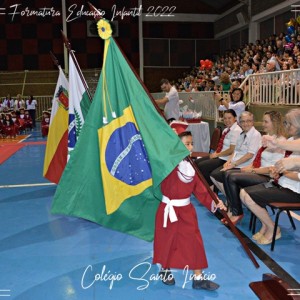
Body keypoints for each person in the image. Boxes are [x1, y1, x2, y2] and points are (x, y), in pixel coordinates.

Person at [153, 121, 226, 291]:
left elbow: (201, 189)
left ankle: (198, 277)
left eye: (192, 143)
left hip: (186, 211)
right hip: (168, 210)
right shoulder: (167, 165)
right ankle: (165, 269)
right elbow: (159, 158)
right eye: (187, 144)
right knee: (167, 241)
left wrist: (215, 200)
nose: (191, 147)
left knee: (194, 241)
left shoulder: (191, 166)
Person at [240, 108, 300, 244]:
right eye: (286, 123)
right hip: (283, 183)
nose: (287, 127)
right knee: (244, 193)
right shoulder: (291, 140)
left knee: (248, 197)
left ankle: (273, 228)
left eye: (290, 124)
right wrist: (278, 170)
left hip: (295, 191)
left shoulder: (291, 143)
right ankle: (266, 225)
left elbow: (297, 175)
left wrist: (283, 171)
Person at [221, 111, 286, 225]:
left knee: (231, 177)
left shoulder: (281, 142)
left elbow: (273, 168)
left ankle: (236, 212)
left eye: (266, 121)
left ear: (274, 123)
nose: (263, 124)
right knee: (228, 174)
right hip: (259, 172)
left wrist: (251, 170)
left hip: (268, 177)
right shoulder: (267, 138)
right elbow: (258, 159)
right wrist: (246, 168)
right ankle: (233, 208)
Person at [210, 111, 261, 196]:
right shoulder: (242, 134)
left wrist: (233, 164)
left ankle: (233, 200)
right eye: (243, 121)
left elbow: (249, 155)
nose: (245, 124)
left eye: (248, 121)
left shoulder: (255, 135)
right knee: (214, 175)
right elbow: (235, 151)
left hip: (243, 165)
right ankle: (230, 197)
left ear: (252, 122)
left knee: (222, 175)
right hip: (235, 163)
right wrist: (228, 162)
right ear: (240, 123)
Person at [195, 109, 242, 186]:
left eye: (229, 118)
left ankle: (210, 188)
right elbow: (221, 146)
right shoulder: (226, 130)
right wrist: (216, 153)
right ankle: (206, 186)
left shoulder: (236, 130)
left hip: (226, 159)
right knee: (197, 162)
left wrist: (217, 155)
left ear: (235, 118)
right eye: (225, 118)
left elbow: (231, 150)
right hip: (221, 156)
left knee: (202, 166)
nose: (227, 120)